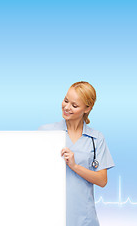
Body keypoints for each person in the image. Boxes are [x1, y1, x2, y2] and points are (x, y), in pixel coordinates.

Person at [39, 81, 114, 226]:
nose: (66, 107)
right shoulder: (45, 132)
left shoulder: (96, 138)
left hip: (85, 218)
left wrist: (75, 166)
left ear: (87, 108)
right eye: (66, 100)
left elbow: (102, 180)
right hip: (52, 215)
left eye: (74, 105)